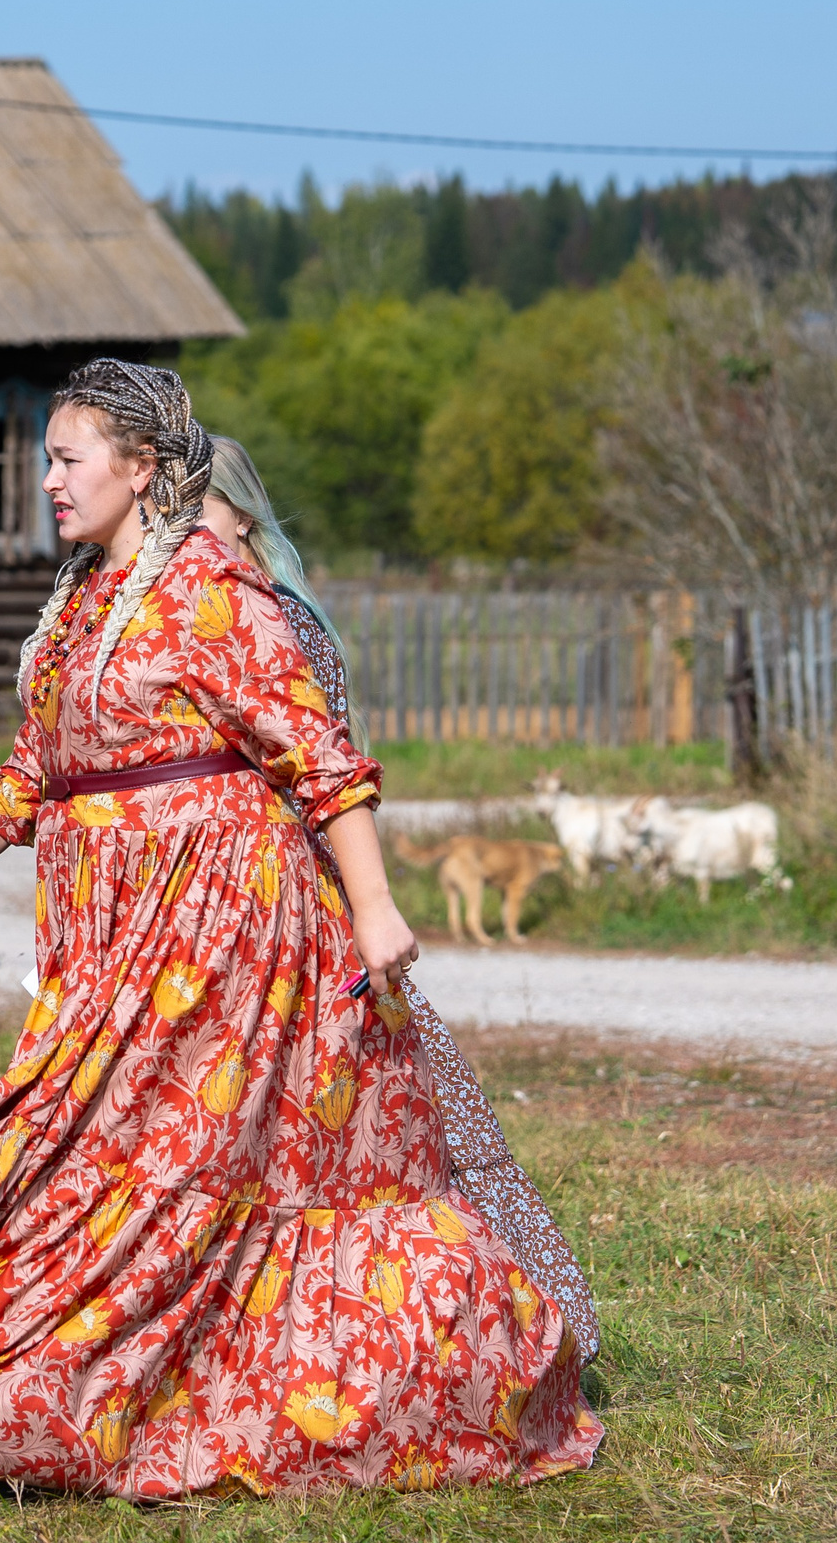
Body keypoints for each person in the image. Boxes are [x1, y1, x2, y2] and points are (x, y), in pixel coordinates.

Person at [0, 361, 602, 1501]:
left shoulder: (215, 592)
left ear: (141, 469)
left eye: (66, 459)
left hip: (226, 933)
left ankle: (22, 1425)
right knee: (70, 1151)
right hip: (107, 939)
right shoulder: (82, 602)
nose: (45, 481)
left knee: (149, 1170)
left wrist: (380, 906)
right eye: (45, 458)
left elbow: (322, 761)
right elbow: (40, 761)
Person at [200, 434, 601, 1367]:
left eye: (198, 514)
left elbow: (320, 785)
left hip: (296, 919)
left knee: (365, 1144)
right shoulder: (196, 614)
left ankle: (467, 1346)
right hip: (228, 917)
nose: (182, 539)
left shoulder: (279, 624)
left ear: (242, 516)